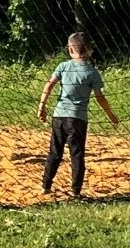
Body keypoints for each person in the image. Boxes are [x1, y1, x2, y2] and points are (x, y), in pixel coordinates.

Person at [37, 32, 119, 198]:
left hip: (59, 116)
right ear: (89, 50)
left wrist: (42, 106)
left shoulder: (63, 66)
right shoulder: (92, 72)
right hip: (78, 119)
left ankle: (45, 186)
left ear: (70, 49)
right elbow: (99, 97)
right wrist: (110, 114)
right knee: (77, 155)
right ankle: (75, 191)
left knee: (54, 152)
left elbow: (49, 85)